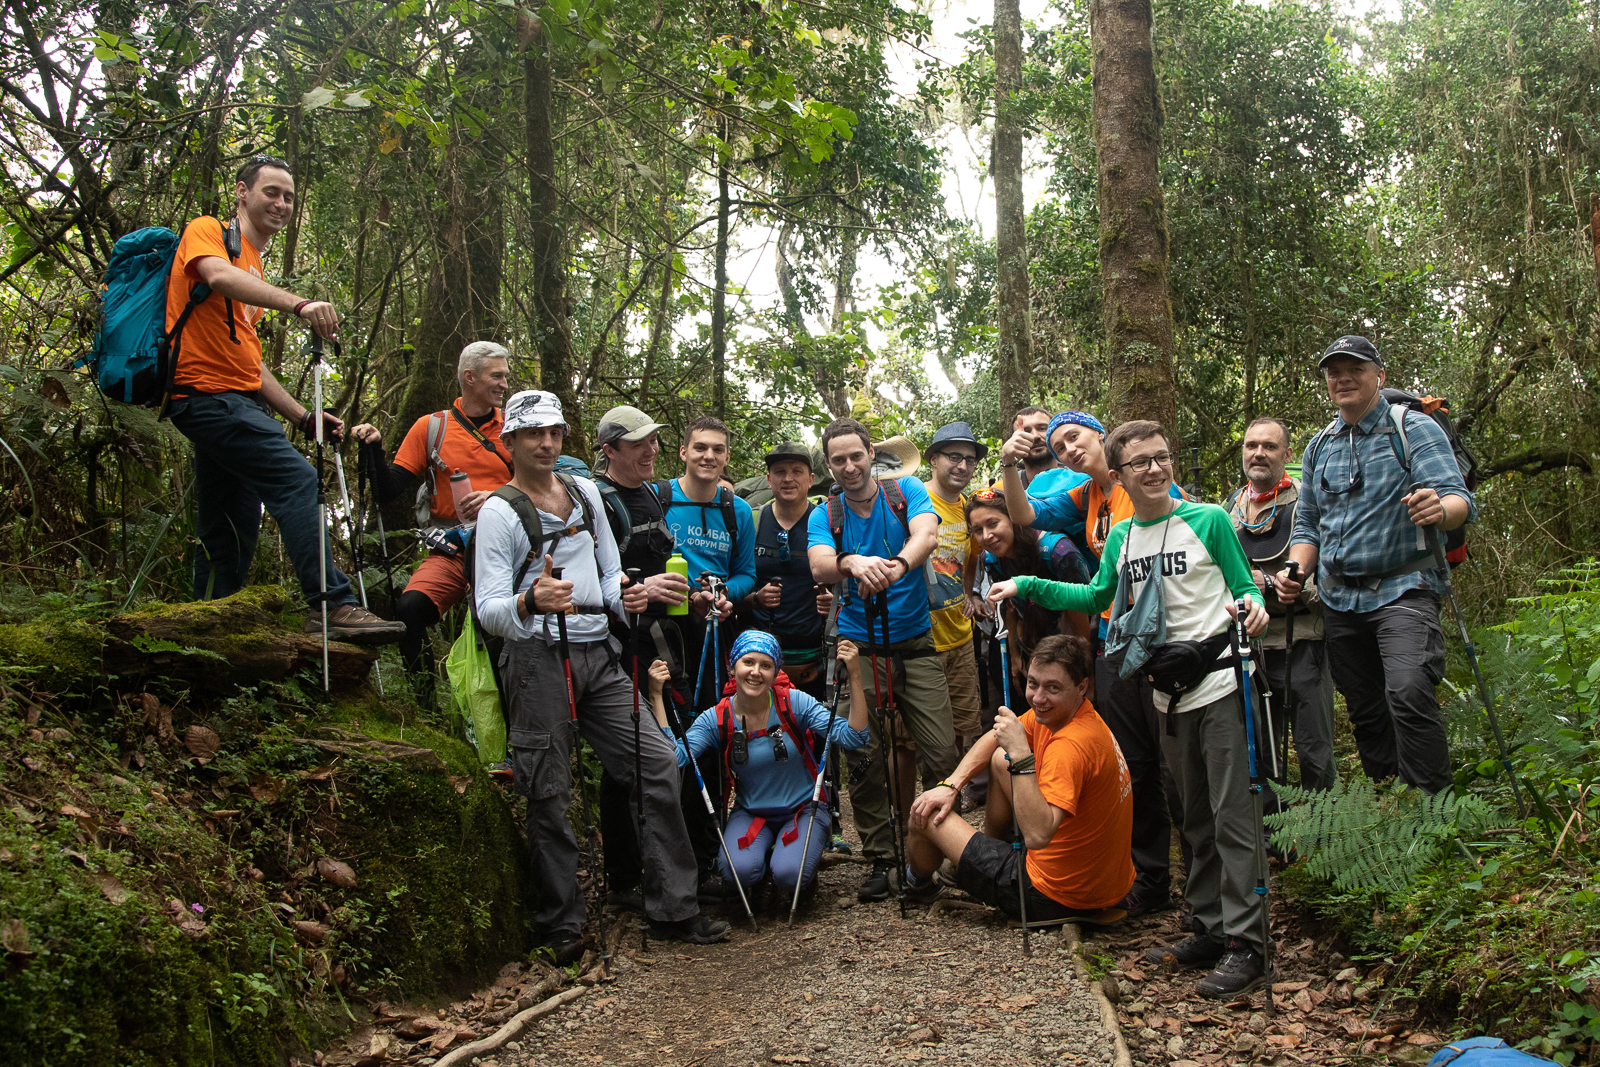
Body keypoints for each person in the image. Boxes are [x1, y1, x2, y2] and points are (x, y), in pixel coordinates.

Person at [990, 420, 1271, 999]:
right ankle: (1210, 927)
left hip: (1219, 683)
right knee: (1192, 814)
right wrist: (1026, 584)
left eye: (1161, 457)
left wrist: (1253, 604)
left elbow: (1245, 587)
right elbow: (1096, 598)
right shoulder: (1121, 538)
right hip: (1166, 692)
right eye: (1140, 462)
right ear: (1117, 475)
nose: (1154, 469)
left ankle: (1249, 943)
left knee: (1232, 817)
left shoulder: (1208, 520)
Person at [474, 389, 729, 960]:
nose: (545, 443)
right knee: (548, 789)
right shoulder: (499, 512)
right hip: (537, 660)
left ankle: (673, 909)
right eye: (533, 434)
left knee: (658, 762)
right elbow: (487, 609)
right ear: (509, 440)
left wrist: (632, 596)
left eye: (555, 433)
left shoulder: (586, 494)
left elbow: (610, 576)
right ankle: (562, 925)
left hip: (599, 654)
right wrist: (530, 601)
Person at [162, 154, 401, 641]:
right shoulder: (210, 232)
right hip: (207, 397)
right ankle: (331, 605)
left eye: (289, 196)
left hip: (231, 399)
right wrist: (299, 303)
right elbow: (216, 277)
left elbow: (248, 361)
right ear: (242, 192)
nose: (281, 203)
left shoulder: (253, 261)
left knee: (229, 523)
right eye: (271, 191)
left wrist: (299, 415)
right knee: (298, 480)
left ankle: (212, 628)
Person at [1000, 409, 1185, 918]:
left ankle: (1201, 884)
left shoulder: (1145, 486)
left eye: (1075, 437)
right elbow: (1024, 517)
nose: (1068, 449)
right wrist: (1009, 466)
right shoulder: (1087, 494)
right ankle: (1149, 880)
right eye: (1058, 447)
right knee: (1137, 763)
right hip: (1114, 640)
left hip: (1167, 644)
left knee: (1175, 768)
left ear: (1102, 435)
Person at [1275, 336, 1475, 794]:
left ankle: (1432, 812)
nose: (1342, 377)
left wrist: (1439, 509)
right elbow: (1308, 526)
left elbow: (1458, 498)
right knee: (1365, 707)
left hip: (1404, 585)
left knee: (1407, 691)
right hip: (1341, 597)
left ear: (1379, 376)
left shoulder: (1413, 429)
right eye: (1333, 371)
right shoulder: (1319, 445)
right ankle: (1388, 802)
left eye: (1355, 369)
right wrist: (1297, 570)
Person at [806, 417, 960, 903]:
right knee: (864, 755)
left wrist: (895, 565)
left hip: (915, 641)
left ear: (871, 453)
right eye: (838, 459)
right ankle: (881, 857)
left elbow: (927, 535)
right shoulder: (826, 513)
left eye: (856, 455)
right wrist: (851, 563)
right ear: (828, 464)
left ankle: (939, 848)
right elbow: (819, 564)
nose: (849, 466)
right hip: (859, 648)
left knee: (941, 752)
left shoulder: (905, 491)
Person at [902, 634, 1134, 924]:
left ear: (1082, 687)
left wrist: (1023, 756)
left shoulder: (1070, 747)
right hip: (1102, 885)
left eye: (1053, 688)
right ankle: (984, 853)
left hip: (1052, 894)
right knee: (1001, 759)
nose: (1038, 698)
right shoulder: (1075, 716)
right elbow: (996, 736)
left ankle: (918, 883)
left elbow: (1038, 837)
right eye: (1033, 683)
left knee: (925, 811)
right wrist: (952, 785)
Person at [647, 631, 870, 900]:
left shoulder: (793, 703)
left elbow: (853, 736)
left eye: (766, 666)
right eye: (748, 662)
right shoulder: (719, 717)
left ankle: (793, 868)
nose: (756, 672)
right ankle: (764, 866)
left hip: (802, 811)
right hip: (751, 814)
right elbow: (675, 757)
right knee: (735, 874)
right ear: (732, 668)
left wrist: (855, 676)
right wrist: (656, 696)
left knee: (790, 875)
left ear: (776, 673)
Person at [352, 342, 513, 681]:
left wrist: (496, 497)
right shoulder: (432, 427)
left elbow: (544, 488)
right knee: (409, 609)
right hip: (454, 547)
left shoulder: (515, 428)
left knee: (499, 631)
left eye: (505, 377)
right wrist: (375, 447)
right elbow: (388, 491)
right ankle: (425, 708)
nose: (504, 385)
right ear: (469, 378)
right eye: (496, 376)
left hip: (507, 548)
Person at [590, 404, 687, 913]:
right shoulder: (600, 503)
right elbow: (593, 575)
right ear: (610, 451)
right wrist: (638, 589)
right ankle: (624, 878)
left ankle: (658, 870)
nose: (651, 450)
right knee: (625, 759)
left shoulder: (652, 493)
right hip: (621, 645)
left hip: (660, 640)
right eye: (638, 444)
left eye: (653, 441)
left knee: (662, 746)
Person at [1224, 418, 1338, 804]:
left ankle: (1323, 836)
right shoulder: (1229, 510)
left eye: (1270, 447)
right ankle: (1274, 836)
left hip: (1303, 640)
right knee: (1260, 746)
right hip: (1250, 650)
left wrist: (1278, 585)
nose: (1259, 453)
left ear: (1288, 454)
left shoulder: (1309, 502)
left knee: (1313, 746)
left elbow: (1331, 578)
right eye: (1252, 445)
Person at [739, 443, 834, 699]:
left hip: (815, 657)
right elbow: (732, 589)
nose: (788, 478)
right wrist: (755, 600)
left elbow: (845, 583)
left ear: (811, 479)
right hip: (758, 659)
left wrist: (834, 603)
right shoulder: (752, 521)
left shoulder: (826, 523)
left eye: (796, 471)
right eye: (780, 471)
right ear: (769, 479)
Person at [963, 488, 1094, 675]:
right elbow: (1010, 608)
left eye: (993, 524)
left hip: (1072, 654)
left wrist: (1086, 676)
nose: (986, 536)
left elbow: (1080, 620)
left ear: (1014, 520)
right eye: (978, 530)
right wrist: (1015, 658)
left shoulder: (1059, 553)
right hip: (1031, 651)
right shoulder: (992, 559)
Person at [923, 422, 987, 762]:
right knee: (917, 732)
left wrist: (970, 594)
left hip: (960, 635)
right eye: (953, 457)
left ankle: (955, 790)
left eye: (969, 459)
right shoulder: (913, 501)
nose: (962, 466)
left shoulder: (969, 510)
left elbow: (972, 557)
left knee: (964, 722)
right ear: (933, 459)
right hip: (920, 637)